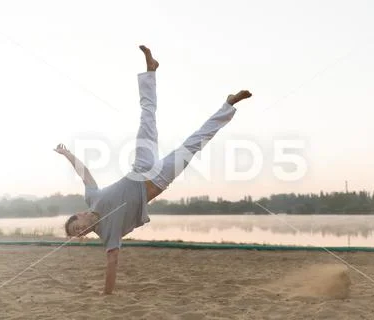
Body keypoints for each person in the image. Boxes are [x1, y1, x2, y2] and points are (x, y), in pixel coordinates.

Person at [54, 45, 252, 294]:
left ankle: (151, 70)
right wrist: (107, 295)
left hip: (139, 168)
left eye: (76, 226)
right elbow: (112, 262)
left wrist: (67, 154)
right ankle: (229, 105)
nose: (80, 230)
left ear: (80, 214)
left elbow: (84, 173)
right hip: (158, 180)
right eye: (77, 234)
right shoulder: (108, 233)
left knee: (147, 117)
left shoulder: (92, 198)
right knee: (194, 143)